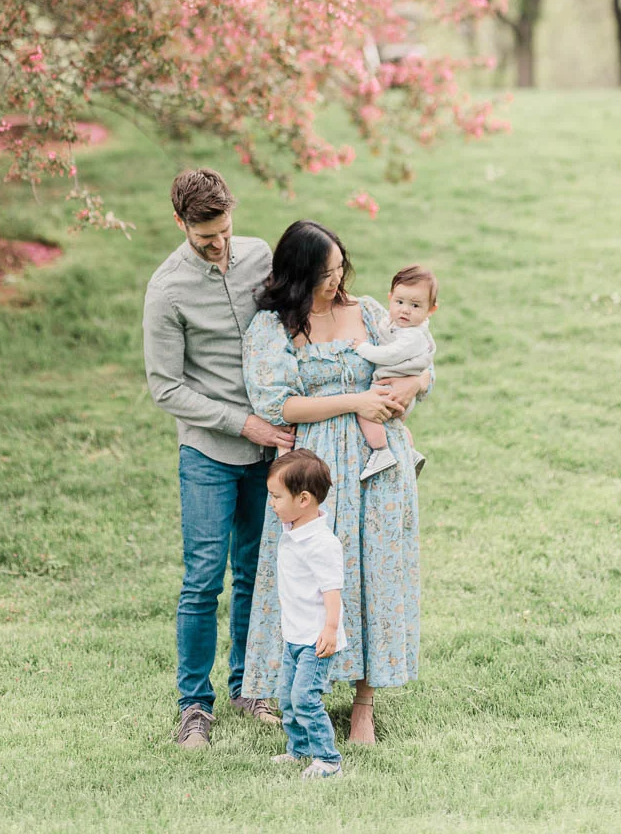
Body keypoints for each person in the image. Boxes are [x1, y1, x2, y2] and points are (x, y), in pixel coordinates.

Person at [240, 220, 433, 744]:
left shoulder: (369, 312)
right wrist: (356, 401)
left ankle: (364, 705)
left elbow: (420, 360)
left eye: (340, 267)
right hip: (315, 471)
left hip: (380, 464)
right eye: (325, 273)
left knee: (377, 571)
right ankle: (307, 693)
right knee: (314, 577)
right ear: (299, 276)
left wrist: (408, 390)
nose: (336, 279)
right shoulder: (273, 328)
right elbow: (276, 404)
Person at [143, 168, 291, 749]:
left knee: (256, 572)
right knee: (204, 579)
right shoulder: (167, 289)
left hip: (269, 452)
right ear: (180, 222)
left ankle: (249, 686)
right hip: (208, 450)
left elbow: (298, 315)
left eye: (225, 231)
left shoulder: (259, 257)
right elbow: (165, 387)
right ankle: (193, 706)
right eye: (206, 236)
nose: (219, 243)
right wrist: (242, 422)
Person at [266, 448, 346, 780]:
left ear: (303, 500)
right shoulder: (293, 531)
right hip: (294, 636)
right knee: (287, 696)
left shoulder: (321, 544)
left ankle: (328, 759)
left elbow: (332, 591)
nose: (271, 503)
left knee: (304, 698)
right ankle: (298, 750)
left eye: (276, 496)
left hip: (316, 638)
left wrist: (330, 629)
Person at [352, 265, 438, 481]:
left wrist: (362, 348)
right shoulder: (397, 324)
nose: (405, 310)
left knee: (365, 413)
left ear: (431, 310)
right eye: (399, 302)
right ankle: (409, 451)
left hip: (393, 388)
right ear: (390, 298)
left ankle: (381, 452)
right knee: (393, 425)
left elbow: (389, 354)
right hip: (395, 385)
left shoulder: (413, 336)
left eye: (415, 305)